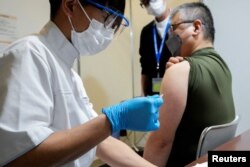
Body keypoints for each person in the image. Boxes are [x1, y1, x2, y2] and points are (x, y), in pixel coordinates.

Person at [0, 0, 164, 166]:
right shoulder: (29, 54)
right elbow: (21, 156)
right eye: (107, 17)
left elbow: (100, 142)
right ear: (71, 6)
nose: (109, 31)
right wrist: (111, 121)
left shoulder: (70, 73)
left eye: (115, 25)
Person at [143, 2, 236, 167]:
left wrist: (174, 75)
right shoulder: (223, 66)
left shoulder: (180, 71)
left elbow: (160, 143)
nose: (169, 36)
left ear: (196, 27)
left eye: (174, 28)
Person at [139, 0, 172, 96]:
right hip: (152, 94)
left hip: (175, 91)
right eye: (145, 3)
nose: (150, 5)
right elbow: (144, 67)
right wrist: (143, 95)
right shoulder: (146, 32)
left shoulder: (177, 26)